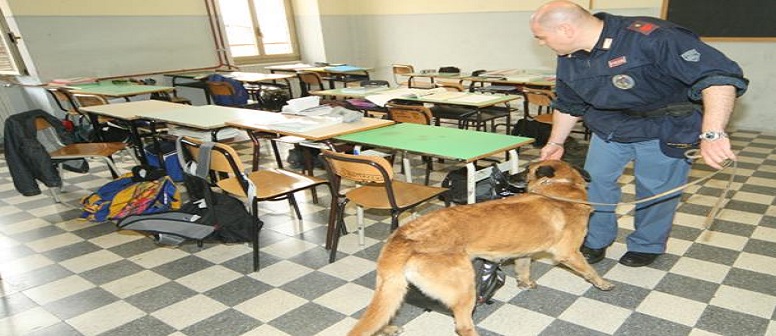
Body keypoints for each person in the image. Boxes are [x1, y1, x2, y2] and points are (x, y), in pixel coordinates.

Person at [530, 1, 748, 267]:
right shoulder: (570, 54)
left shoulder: (655, 37)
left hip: (664, 126)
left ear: (565, 29)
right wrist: (556, 142)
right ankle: (596, 239)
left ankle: (647, 244)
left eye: (542, 37)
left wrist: (712, 134)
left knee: (656, 189)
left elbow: (718, 77)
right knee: (595, 184)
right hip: (609, 125)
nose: (541, 43)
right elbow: (568, 103)